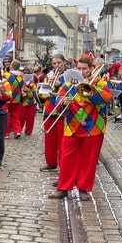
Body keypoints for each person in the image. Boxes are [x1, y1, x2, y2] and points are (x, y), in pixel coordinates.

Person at [50, 57, 112, 201]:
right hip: (72, 126)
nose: (81, 71)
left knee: (88, 160)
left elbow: (105, 98)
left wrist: (85, 87)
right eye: (78, 68)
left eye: (84, 68)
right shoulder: (68, 84)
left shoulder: (100, 82)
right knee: (66, 159)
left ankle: (84, 189)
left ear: (91, 68)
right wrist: (62, 102)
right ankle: (63, 188)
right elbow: (58, 101)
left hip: (94, 126)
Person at [39, 54, 68, 172]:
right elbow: (42, 95)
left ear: (64, 62)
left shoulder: (68, 76)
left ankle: (63, 166)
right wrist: (46, 88)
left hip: (61, 111)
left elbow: (71, 91)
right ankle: (50, 163)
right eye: (54, 63)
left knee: (62, 141)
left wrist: (59, 85)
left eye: (59, 63)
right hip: (49, 108)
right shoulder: (49, 76)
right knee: (49, 139)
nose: (57, 65)